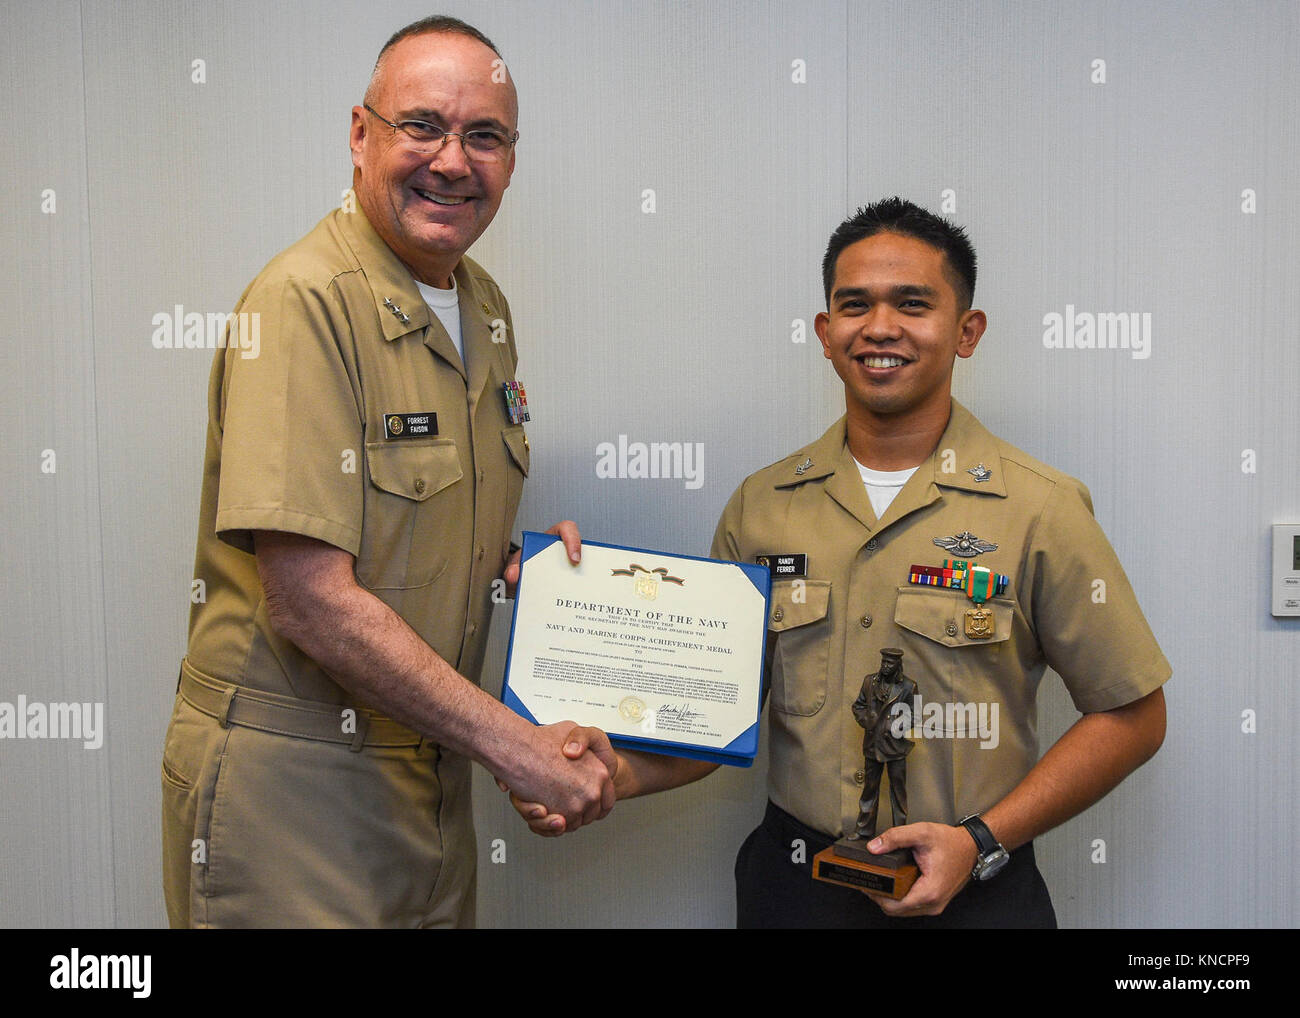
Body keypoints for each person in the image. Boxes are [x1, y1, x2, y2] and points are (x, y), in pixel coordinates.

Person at [514, 197, 1170, 929]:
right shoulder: (761, 507)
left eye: (913, 304)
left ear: (967, 331)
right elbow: (714, 725)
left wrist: (980, 841)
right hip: (795, 890)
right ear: (826, 334)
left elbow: (1133, 714)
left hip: (978, 891)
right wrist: (604, 776)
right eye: (854, 305)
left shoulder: (1040, 508)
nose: (880, 327)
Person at [160, 15, 616, 929]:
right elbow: (310, 597)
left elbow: (417, 527)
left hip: (427, 779)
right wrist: (515, 746)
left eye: (484, 136)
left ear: (512, 161)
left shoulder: (480, 306)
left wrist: (522, 569)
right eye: (422, 127)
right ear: (361, 135)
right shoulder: (305, 303)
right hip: (295, 800)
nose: (453, 160)